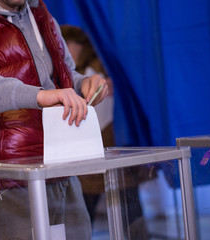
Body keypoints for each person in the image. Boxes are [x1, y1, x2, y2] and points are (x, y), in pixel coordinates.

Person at [0, 0, 108, 239]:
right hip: (5, 180)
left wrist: (82, 83)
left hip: (61, 168)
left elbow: (62, 74)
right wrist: (38, 95)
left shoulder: (41, 14)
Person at [61, 25, 152, 240]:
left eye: (68, 45)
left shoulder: (100, 68)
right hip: (93, 147)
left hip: (110, 143)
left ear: (80, 44)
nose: (66, 50)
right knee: (88, 207)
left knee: (125, 204)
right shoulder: (77, 73)